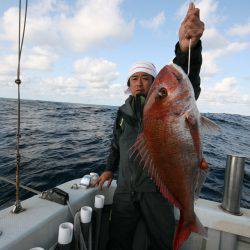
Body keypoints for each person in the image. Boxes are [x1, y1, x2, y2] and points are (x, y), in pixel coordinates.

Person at [94, 3, 204, 250]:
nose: (140, 83)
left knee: (161, 243)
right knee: (117, 242)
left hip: (157, 192)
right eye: (135, 78)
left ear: (155, 85)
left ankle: (188, 218)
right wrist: (109, 169)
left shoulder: (165, 107)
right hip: (125, 190)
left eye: (146, 78)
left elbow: (187, 80)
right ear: (129, 83)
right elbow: (115, 144)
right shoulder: (122, 113)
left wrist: (188, 48)